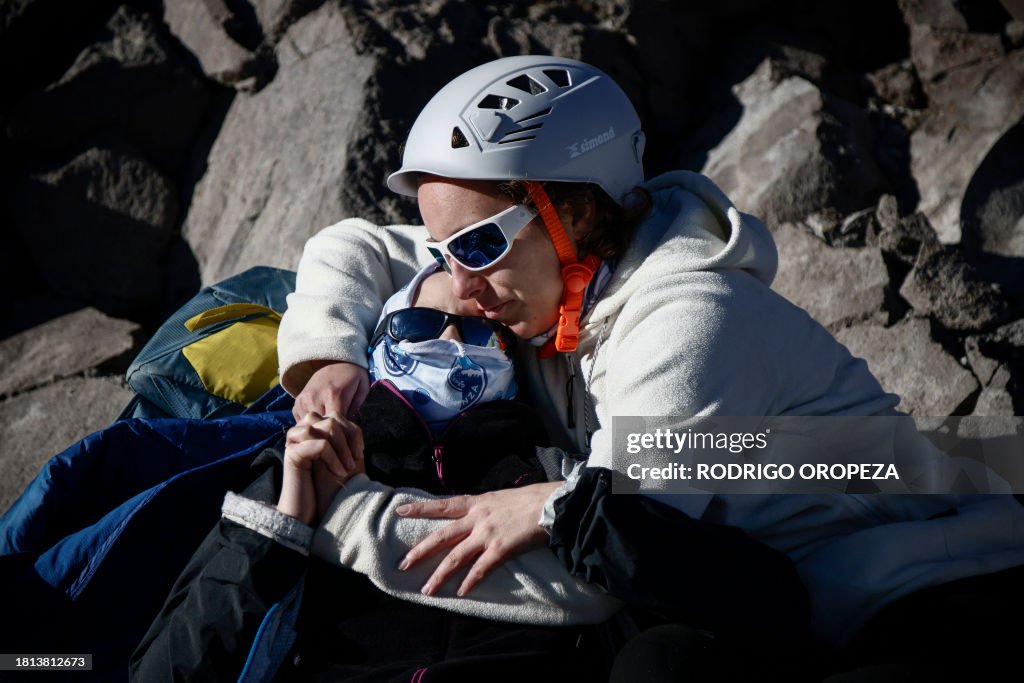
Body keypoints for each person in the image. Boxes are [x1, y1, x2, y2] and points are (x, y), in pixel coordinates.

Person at [271, 54, 1024, 680]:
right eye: (444, 252)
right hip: (779, 590)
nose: (458, 284)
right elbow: (354, 244)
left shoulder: (687, 320)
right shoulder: (536, 278)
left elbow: (591, 572)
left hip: (924, 589)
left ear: (576, 212)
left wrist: (336, 517)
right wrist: (327, 360)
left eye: (475, 247)